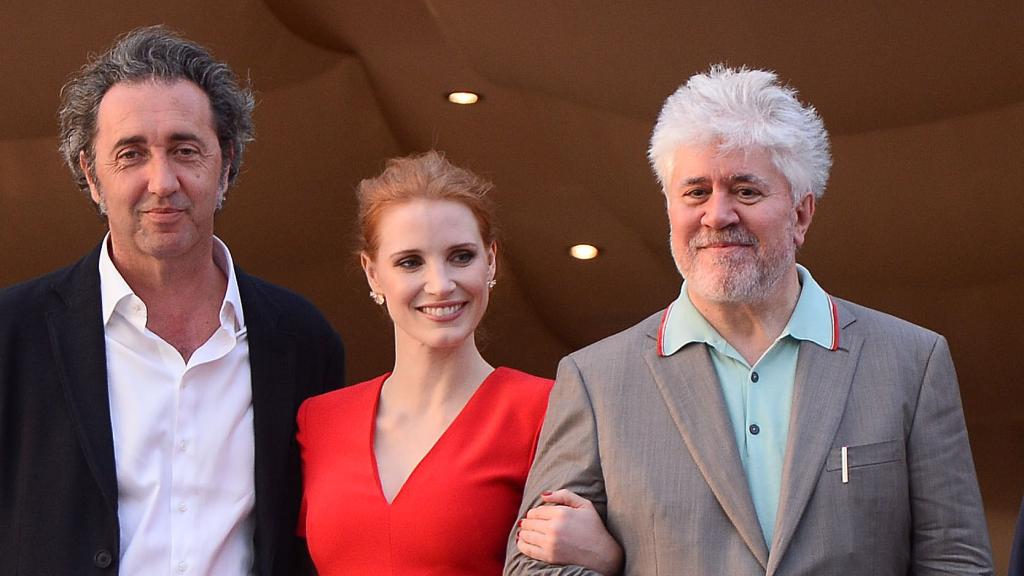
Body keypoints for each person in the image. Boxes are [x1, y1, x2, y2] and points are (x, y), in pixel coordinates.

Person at [506, 66, 993, 574]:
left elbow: (955, 561)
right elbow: (529, 566)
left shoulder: (912, 361)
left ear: (801, 214)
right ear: (670, 209)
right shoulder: (595, 379)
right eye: (695, 192)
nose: (717, 215)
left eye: (745, 191)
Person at [0, 26, 344, 575]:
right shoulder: (12, 334)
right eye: (131, 154)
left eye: (185, 150)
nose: (162, 181)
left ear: (226, 163)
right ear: (91, 174)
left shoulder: (302, 340)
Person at [296, 151, 621, 575]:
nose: (440, 284)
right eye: (410, 262)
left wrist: (612, 559)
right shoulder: (320, 419)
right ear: (373, 273)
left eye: (461, 256)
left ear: (492, 260)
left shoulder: (548, 409)